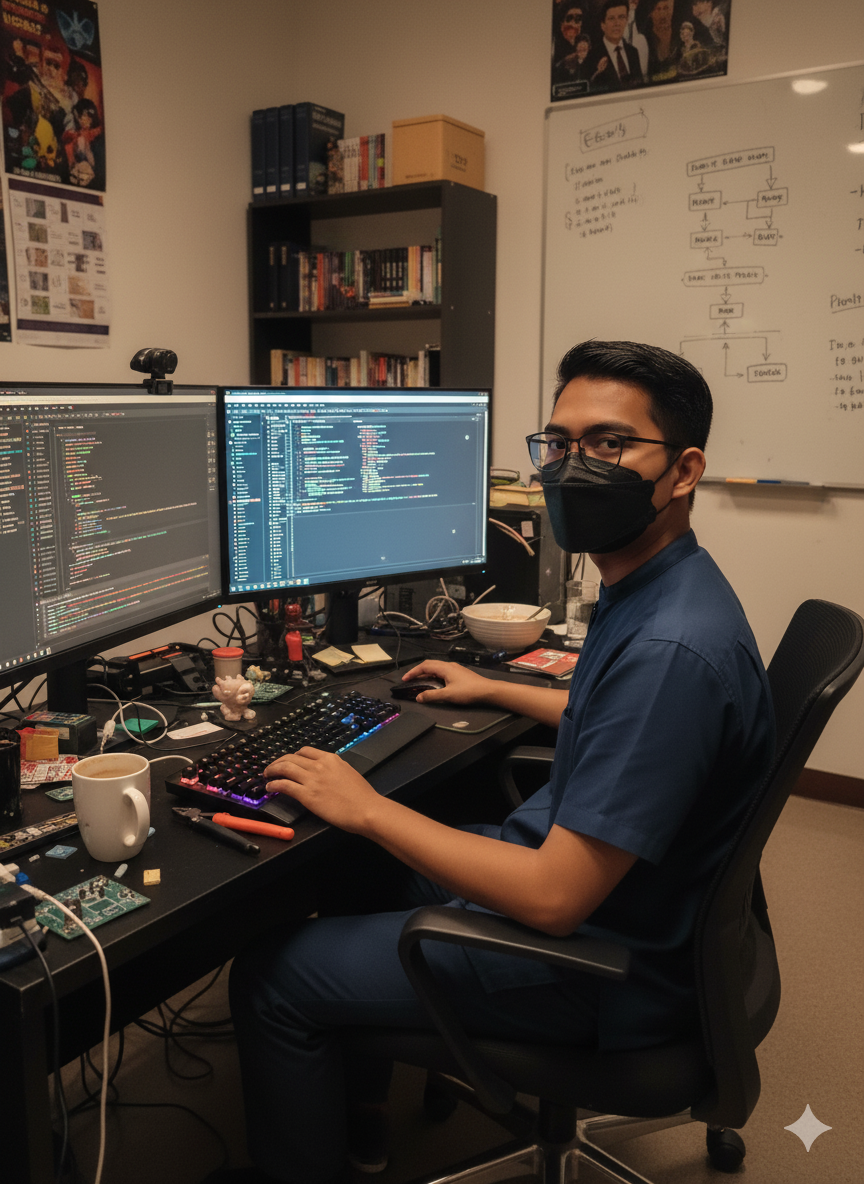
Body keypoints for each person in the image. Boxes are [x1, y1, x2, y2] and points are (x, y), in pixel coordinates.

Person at [211, 341, 774, 1184]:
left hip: (601, 963)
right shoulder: (663, 584)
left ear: (684, 469)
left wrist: (367, 804)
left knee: (271, 974)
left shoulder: (669, 651)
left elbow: (553, 900)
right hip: (636, 906)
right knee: (358, 871)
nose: (574, 466)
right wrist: (496, 689)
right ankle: (356, 1118)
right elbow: (610, 714)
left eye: (611, 444)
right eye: (560, 442)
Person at [585, 0, 644, 92]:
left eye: (621, 17)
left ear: (626, 20)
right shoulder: (592, 57)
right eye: (611, 18)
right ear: (603, 25)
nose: (617, 23)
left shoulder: (633, 52)